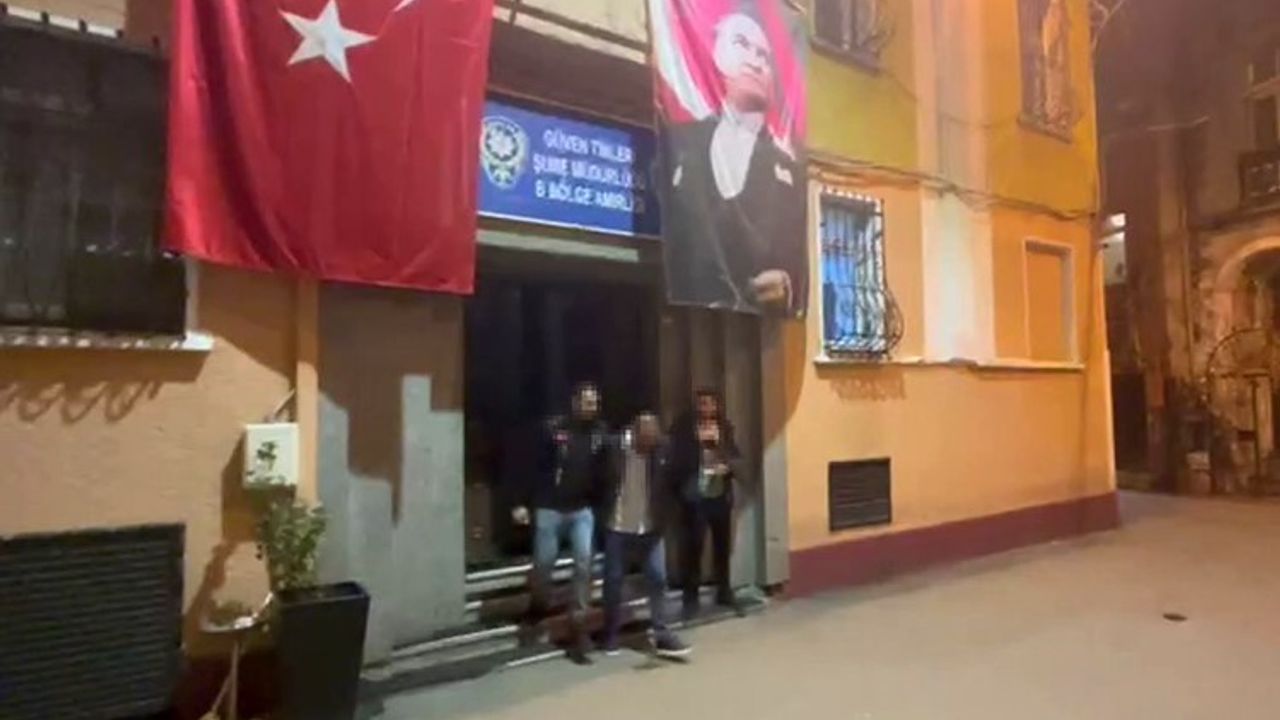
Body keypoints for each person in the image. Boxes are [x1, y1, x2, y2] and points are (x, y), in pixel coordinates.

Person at [661, 11, 807, 316]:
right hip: (691, 319)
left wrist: (786, 284)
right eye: (742, 44)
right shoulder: (683, 146)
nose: (755, 62)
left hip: (759, 329)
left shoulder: (789, 172)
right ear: (717, 54)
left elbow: (797, 265)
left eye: (764, 56)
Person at [512, 382, 610, 664]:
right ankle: (538, 606)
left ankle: (579, 628)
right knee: (544, 563)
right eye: (587, 402)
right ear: (575, 402)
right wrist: (520, 502)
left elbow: (607, 469)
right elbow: (530, 466)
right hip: (549, 508)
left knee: (584, 562)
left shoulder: (600, 434)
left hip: (581, 510)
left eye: (595, 403)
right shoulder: (553, 430)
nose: (591, 407)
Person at [600, 412, 692, 659]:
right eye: (646, 441)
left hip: (650, 527)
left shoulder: (662, 450)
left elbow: (674, 481)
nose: (650, 446)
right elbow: (599, 480)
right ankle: (610, 633)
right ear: (635, 434)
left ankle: (662, 633)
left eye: (654, 440)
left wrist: (667, 514)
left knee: (658, 577)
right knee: (613, 581)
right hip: (618, 525)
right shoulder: (614, 448)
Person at [671, 390, 744, 618]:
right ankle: (690, 598)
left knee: (722, 546)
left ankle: (724, 591)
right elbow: (676, 459)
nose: (706, 409)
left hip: (719, 494)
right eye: (702, 404)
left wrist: (726, 463)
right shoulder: (685, 429)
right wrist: (698, 447)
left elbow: (735, 455)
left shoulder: (725, 428)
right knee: (694, 548)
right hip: (695, 496)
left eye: (710, 404)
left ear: (716, 407)